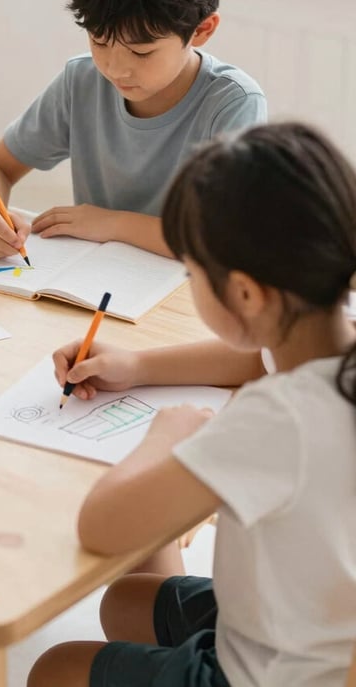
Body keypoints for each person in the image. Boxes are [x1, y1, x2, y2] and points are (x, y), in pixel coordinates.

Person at [27, 121, 356, 687]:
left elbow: (103, 526)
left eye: (193, 272)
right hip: (306, 617)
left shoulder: (280, 418)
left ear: (246, 293)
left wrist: (166, 439)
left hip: (275, 672)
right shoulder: (330, 339)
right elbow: (258, 358)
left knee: (54, 669)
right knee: (126, 601)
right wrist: (139, 365)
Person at [0, 0, 266, 260]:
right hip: (95, 283)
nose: (115, 68)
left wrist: (112, 223)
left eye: (142, 53)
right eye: (99, 41)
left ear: (201, 30)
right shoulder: (82, 81)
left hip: (187, 295)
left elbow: (217, 240)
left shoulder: (232, 104)